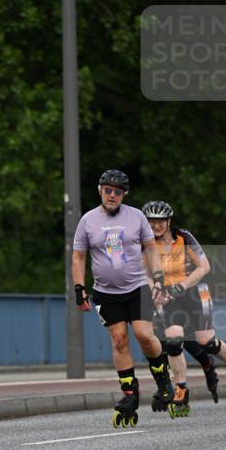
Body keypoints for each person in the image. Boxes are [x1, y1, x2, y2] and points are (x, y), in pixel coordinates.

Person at [72, 169, 175, 428]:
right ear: (100, 190)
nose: (113, 196)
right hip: (106, 292)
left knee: (143, 334)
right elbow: (78, 257)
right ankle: (130, 393)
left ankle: (162, 377)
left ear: (124, 195)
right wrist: (78, 288)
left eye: (118, 192)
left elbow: (151, 249)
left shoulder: (137, 217)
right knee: (119, 340)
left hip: (137, 287)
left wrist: (159, 279)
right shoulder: (87, 221)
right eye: (108, 190)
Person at [141, 201, 226, 414]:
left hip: (195, 291)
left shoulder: (184, 237)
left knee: (206, 342)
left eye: (160, 221)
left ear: (169, 221)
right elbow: (145, 273)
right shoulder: (146, 243)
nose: (156, 225)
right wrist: (155, 290)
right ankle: (181, 389)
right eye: (151, 221)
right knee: (173, 340)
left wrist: (181, 286)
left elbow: (204, 267)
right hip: (168, 295)